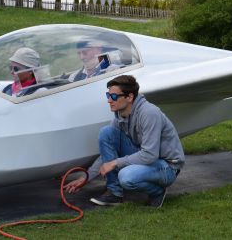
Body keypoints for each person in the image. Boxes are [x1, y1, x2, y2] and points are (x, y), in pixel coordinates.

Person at [65, 75, 184, 208]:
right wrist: (86, 178)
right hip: (148, 157)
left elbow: (150, 154)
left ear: (129, 97)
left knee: (126, 177)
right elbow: (107, 155)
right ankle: (114, 193)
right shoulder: (121, 115)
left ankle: (157, 191)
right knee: (106, 133)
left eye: (114, 96)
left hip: (167, 166)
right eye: (108, 95)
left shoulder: (149, 113)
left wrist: (116, 163)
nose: (109, 100)